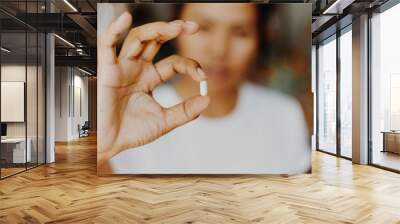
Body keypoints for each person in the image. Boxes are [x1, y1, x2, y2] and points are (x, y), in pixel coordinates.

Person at [98, 3, 310, 174]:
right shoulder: (129, 116)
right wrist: (104, 144)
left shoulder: (285, 114)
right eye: (204, 27)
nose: (219, 49)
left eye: (240, 32)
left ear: (260, 39)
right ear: (175, 30)